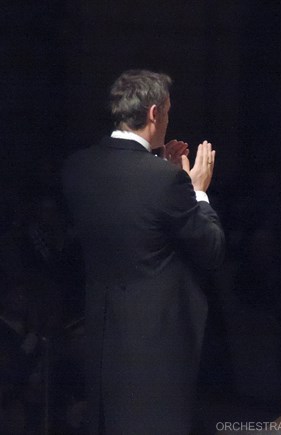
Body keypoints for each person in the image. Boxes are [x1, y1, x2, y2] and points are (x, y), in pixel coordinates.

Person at [62, 69, 226, 434]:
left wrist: (159, 169)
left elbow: (133, 216)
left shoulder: (77, 167)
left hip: (102, 336)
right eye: (167, 112)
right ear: (154, 113)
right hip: (155, 346)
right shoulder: (165, 181)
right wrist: (196, 190)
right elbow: (211, 249)